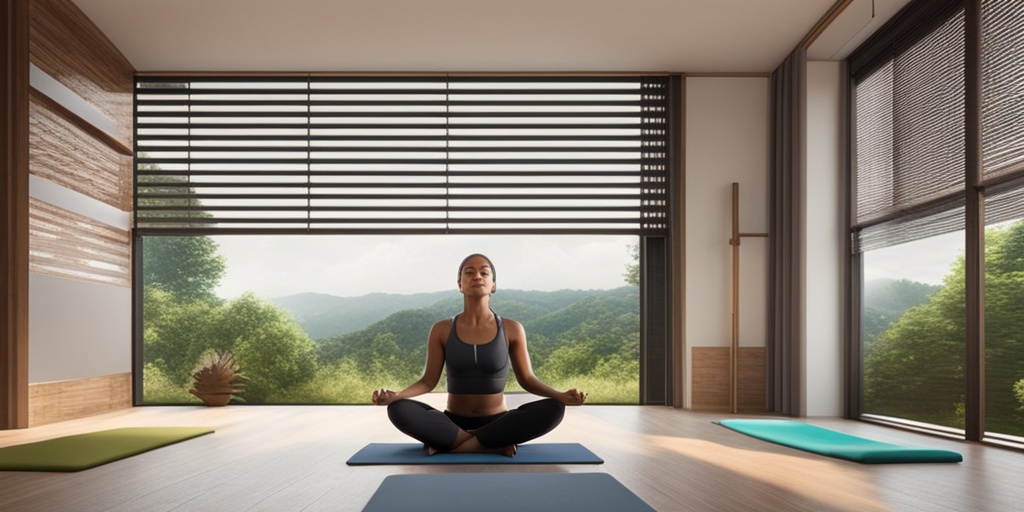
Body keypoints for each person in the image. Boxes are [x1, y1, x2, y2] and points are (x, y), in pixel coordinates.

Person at [371, 253, 587, 457]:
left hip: (498, 422)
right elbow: (428, 382)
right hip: (452, 422)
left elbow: (527, 380)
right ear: (459, 284)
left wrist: (561, 396)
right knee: (399, 409)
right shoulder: (441, 329)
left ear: (493, 285)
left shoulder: (512, 328)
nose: (477, 276)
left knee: (554, 409)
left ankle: (454, 445)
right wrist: (396, 396)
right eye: (469, 272)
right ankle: (488, 445)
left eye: (484, 273)